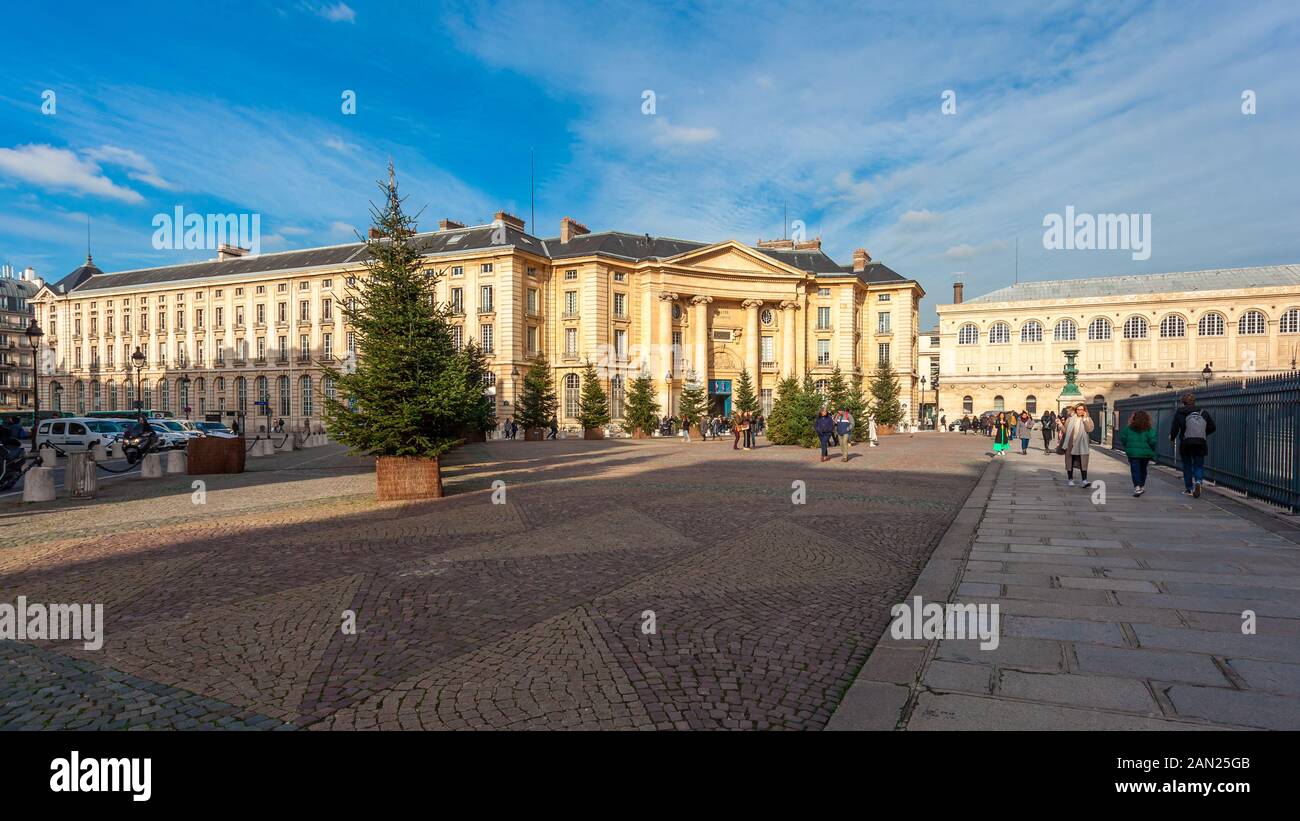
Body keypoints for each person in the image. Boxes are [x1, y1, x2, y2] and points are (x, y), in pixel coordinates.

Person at [1171, 393, 1216, 498]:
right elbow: (1212, 427)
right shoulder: (1203, 412)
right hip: (1200, 442)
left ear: (1183, 402)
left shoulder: (1180, 412)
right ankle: (1198, 481)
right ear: (1194, 401)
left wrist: (1172, 438)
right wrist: (1202, 434)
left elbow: (1175, 428)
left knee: (1187, 466)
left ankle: (1189, 488)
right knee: (1198, 465)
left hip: (1186, 442)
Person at [1118, 409, 1158, 496]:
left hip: (1133, 453)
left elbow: (1123, 439)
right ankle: (1142, 485)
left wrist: (1128, 446)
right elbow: (1153, 441)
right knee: (1143, 469)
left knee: (1135, 470)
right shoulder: (1149, 429)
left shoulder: (1128, 429)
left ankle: (1137, 487)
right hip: (1145, 454)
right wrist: (1152, 449)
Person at [1060, 403, 1095, 487]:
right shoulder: (1070, 419)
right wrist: (1060, 425)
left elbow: (1089, 429)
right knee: (1070, 462)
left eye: (1081, 409)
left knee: (1083, 462)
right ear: (1076, 410)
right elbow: (1065, 431)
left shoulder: (1088, 419)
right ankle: (1070, 479)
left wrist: (1085, 419)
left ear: (1084, 411)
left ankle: (1084, 480)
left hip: (1081, 445)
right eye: (1078, 409)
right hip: (1070, 444)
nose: (1080, 411)